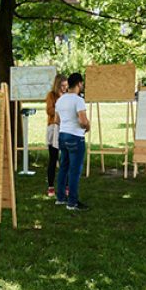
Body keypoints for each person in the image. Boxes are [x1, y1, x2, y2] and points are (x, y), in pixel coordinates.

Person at [54, 72, 90, 211]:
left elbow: (56, 120)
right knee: (74, 171)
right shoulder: (78, 100)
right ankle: (72, 202)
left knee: (63, 168)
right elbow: (82, 121)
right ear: (79, 84)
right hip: (75, 137)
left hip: (63, 135)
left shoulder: (60, 100)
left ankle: (61, 198)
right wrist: (87, 126)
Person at [45, 75, 68, 197]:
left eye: (66, 86)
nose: (65, 88)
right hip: (53, 128)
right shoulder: (51, 95)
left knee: (66, 158)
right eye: (62, 86)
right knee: (53, 158)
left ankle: (66, 185)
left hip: (65, 128)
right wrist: (62, 109)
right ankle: (51, 186)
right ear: (57, 85)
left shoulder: (68, 96)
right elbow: (49, 110)